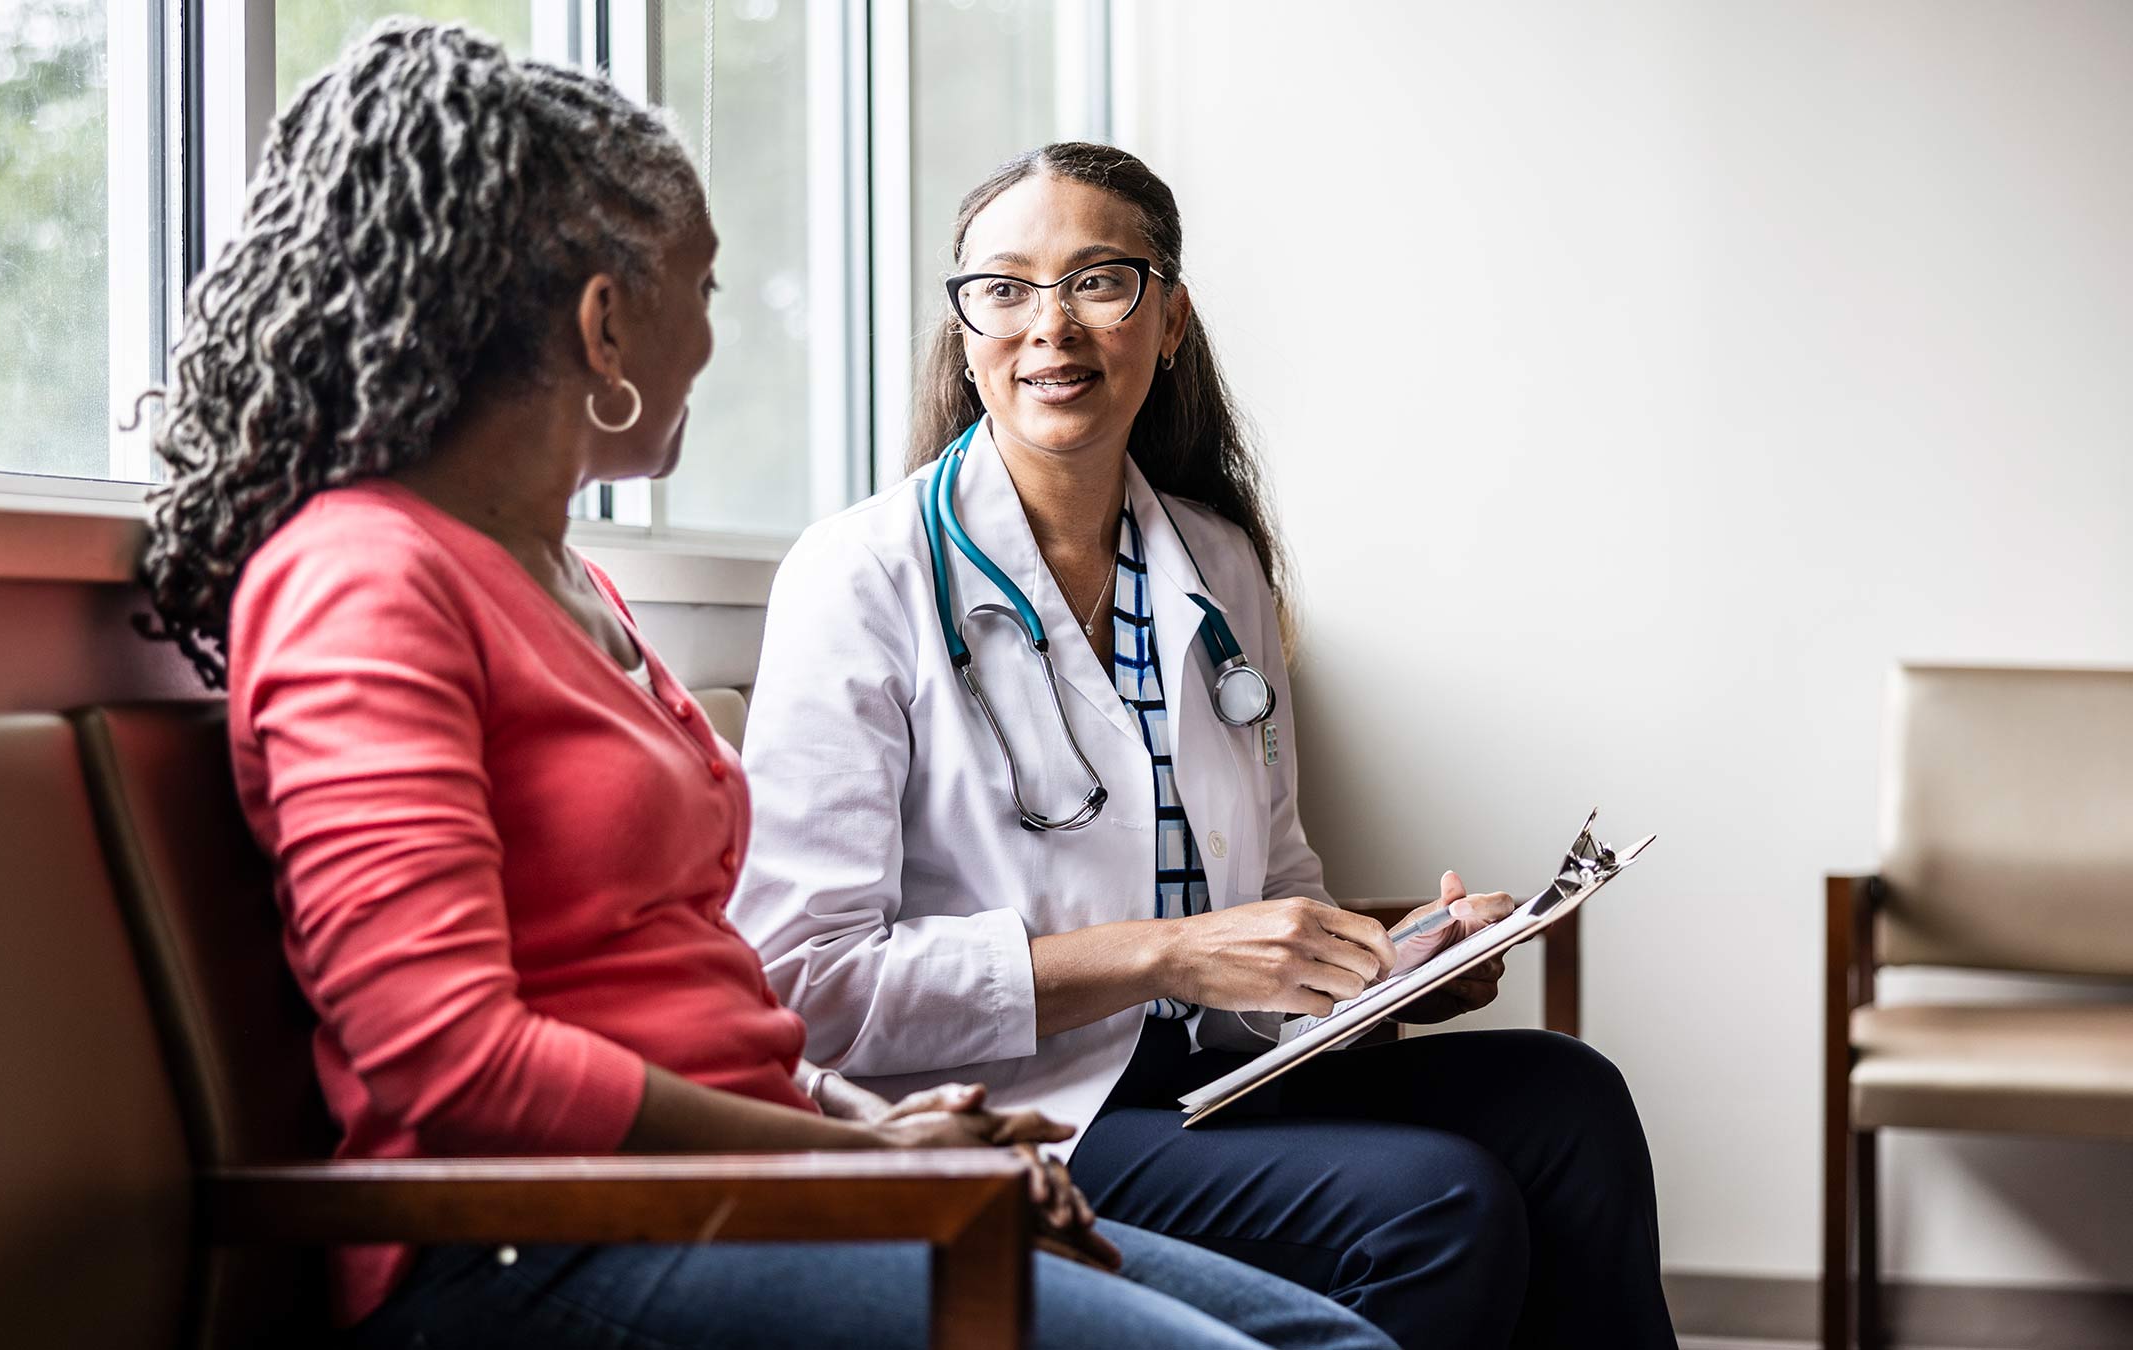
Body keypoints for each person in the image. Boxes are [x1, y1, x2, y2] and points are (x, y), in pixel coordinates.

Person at [136, 24, 1396, 1350]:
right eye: (708, 290)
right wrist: (858, 1162)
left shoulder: (566, 585)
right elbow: (456, 1066)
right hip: (542, 1244)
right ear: (606, 322)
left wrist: (878, 1127)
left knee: (1334, 1342)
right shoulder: (363, 579)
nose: (712, 338)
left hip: (754, 1181)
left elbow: (703, 1005)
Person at [729, 141, 1679, 1350]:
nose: (1050, 329)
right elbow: (803, 985)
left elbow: (1270, 890)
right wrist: (1168, 954)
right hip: (1013, 1111)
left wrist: (1392, 961)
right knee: (1441, 1204)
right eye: (1006, 289)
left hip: (1210, 1078)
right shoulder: (860, 575)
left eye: (1099, 282)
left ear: (1169, 318)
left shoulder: (1217, 565)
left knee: (1568, 1099)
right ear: (964, 329)